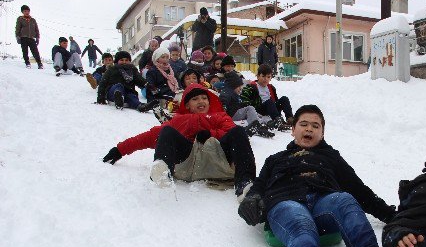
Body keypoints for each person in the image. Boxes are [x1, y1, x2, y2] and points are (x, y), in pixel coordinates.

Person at [238, 105, 399, 247]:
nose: (309, 129)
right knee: (298, 219)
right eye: (303, 124)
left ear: (322, 133)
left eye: (315, 126)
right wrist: (252, 201)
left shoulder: (331, 157)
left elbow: (360, 190)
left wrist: (392, 216)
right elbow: (259, 187)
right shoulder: (275, 160)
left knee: (345, 199)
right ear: (293, 129)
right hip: (286, 201)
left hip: (324, 202)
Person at [102, 83, 256, 194]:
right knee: (166, 132)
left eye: (204, 98)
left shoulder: (220, 116)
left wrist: (212, 134)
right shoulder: (179, 120)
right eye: (195, 99)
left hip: (219, 161)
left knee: (239, 132)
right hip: (189, 165)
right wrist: (119, 150)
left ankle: (245, 182)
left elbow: (231, 133)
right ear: (187, 105)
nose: (201, 101)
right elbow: (148, 137)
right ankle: (163, 170)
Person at [219, 71, 274, 138]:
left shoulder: (232, 92)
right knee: (250, 109)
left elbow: (236, 104)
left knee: (255, 113)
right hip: (231, 114)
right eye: (238, 87)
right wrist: (224, 106)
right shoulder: (227, 92)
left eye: (241, 86)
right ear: (233, 86)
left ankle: (267, 122)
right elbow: (223, 99)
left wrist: (243, 105)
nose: (240, 89)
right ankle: (256, 126)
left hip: (234, 112)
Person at [240, 64, 293, 131]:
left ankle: (290, 119)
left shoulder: (271, 87)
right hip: (259, 109)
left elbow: (275, 101)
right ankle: (278, 122)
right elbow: (244, 99)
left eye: (268, 77)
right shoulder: (251, 87)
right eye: (263, 76)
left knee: (284, 99)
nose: (265, 79)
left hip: (271, 108)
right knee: (269, 101)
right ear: (258, 76)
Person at [15, 5, 43, 69]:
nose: (27, 12)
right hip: (23, 38)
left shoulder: (33, 20)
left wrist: (37, 38)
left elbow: (36, 29)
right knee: (25, 51)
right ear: (22, 12)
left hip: (31, 38)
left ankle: (39, 64)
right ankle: (27, 63)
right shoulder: (20, 19)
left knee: (35, 51)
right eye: (25, 11)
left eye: (28, 11)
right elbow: (17, 28)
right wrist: (18, 37)